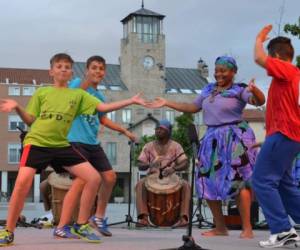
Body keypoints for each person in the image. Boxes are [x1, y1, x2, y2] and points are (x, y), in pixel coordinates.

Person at [0, 53, 146, 246]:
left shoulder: (78, 95)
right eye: (59, 66)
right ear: (51, 71)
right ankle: (8, 231)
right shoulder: (42, 93)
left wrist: (130, 101)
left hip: (61, 145)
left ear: (71, 73)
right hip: (37, 143)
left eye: (67, 67)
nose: (63, 69)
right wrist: (18, 107)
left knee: (93, 177)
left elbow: (104, 107)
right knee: (22, 183)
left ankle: (79, 225)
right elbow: (30, 120)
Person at [148, 56, 265, 238]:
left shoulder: (239, 89)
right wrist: (167, 102)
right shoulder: (209, 89)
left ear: (233, 72)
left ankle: (247, 228)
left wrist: (256, 91)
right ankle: (220, 227)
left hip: (235, 139)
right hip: (212, 139)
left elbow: (259, 102)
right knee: (206, 181)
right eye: (216, 70)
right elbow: (192, 107)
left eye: (223, 70)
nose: (218, 73)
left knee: (240, 182)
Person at [53, 55, 137, 238]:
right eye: (94, 68)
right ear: (87, 71)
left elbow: (103, 119)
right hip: (75, 141)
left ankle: (98, 217)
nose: (97, 71)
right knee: (82, 180)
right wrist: (88, 81)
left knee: (110, 177)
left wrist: (124, 131)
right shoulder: (76, 84)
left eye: (100, 68)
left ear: (104, 72)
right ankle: (64, 225)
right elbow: (79, 91)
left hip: (92, 143)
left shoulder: (99, 96)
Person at [252, 24, 300, 248]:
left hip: (283, 135)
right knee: (284, 185)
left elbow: (259, 58)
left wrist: (259, 39)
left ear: (278, 56)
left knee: (261, 181)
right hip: (286, 137)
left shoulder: (287, 70)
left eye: (272, 59)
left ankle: (282, 230)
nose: (268, 66)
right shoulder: (290, 77)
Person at [136, 119, 190, 228]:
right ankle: (144, 218)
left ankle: (183, 218)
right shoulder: (148, 146)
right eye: (157, 129)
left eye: (162, 129)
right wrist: (151, 164)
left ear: (169, 131)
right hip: (152, 177)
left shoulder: (176, 146)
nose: (158, 131)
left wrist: (174, 169)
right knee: (140, 184)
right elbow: (140, 165)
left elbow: (185, 163)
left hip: (171, 177)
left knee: (186, 185)